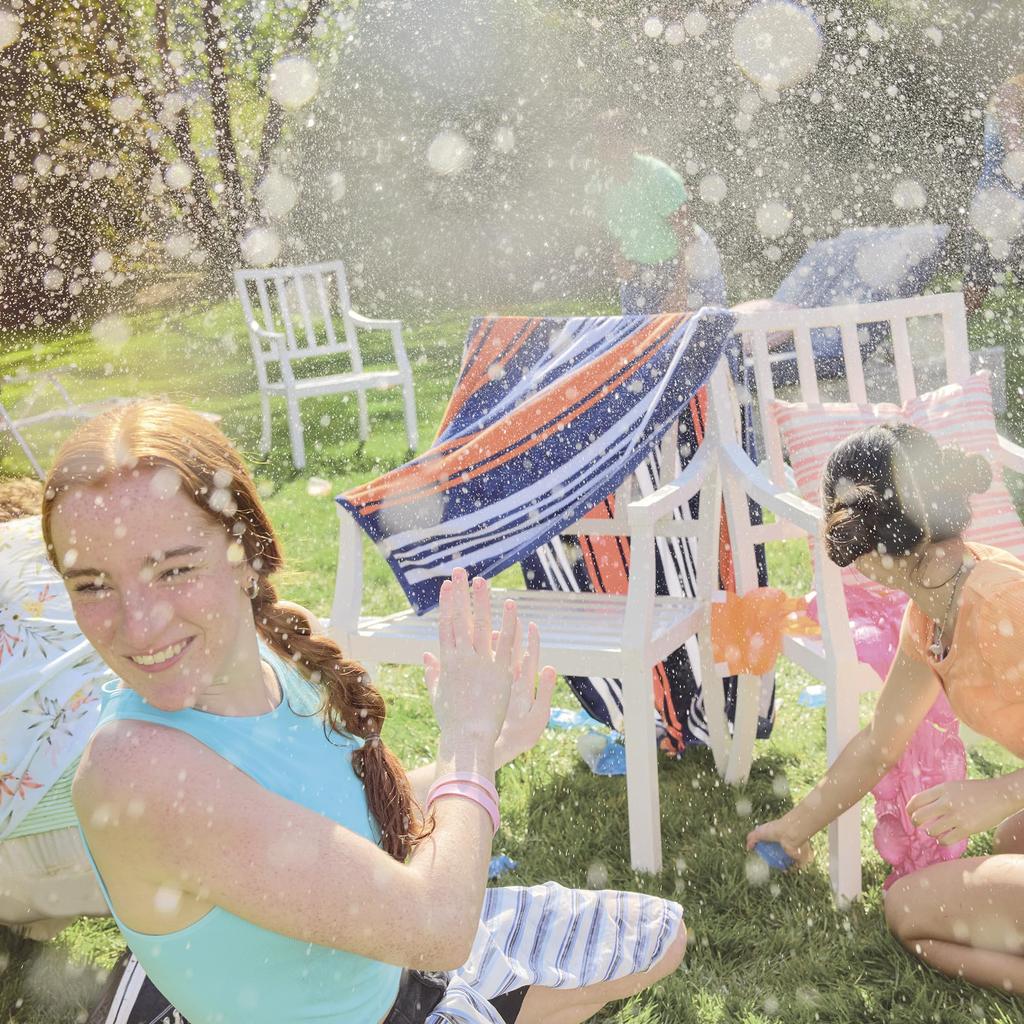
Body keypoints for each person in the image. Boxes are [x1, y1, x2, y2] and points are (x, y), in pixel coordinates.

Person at [43, 400, 686, 1024]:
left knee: (661, 937)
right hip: (415, 952)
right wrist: (465, 742)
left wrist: (487, 751)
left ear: (248, 555)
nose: (138, 623)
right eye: (92, 584)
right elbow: (435, 929)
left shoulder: (283, 651)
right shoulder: (135, 770)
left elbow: (342, 820)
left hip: (399, 967)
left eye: (173, 569)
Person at [747, 422, 1024, 994]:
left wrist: (999, 792)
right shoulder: (932, 614)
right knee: (1012, 842)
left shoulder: (1002, 603)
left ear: (869, 530)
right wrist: (794, 828)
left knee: (906, 908)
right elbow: (880, 744)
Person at [595, 109, 727, 315]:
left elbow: (688, 237)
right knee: (637, 337)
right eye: (607, 140)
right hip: (645, 266)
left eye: (620, 138)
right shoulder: (602, 185)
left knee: (702, 332)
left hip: (690, 260)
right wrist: (619, 257)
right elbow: (617, 230)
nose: (613, 147)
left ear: (631, 142)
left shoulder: (656, 177)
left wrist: (681, 290)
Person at [961, 72, 1024, 314]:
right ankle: (926, 345)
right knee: (973, 297)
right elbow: (1016, 155)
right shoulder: (1013, 91)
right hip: (998, 210)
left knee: (974, 294)